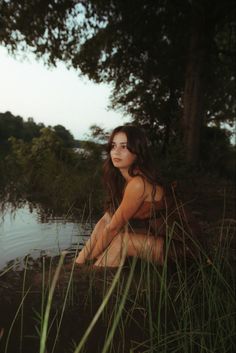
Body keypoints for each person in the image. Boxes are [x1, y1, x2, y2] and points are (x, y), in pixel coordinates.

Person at [75, 125, 201, 268]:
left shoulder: (138, 183)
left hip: (185, 250)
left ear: (137, 152)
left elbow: (113, 229)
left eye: (124, 147)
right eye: (113, 146)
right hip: (158, 238)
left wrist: (92, 258)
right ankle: (79, 263)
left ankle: (91, 272)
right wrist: (82, 259)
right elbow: (108, 221)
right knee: (107, 218)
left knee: (121, 241)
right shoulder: (122, 178)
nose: (116, 151)